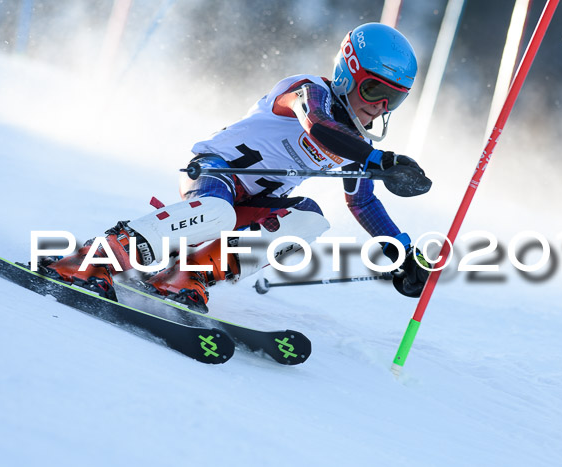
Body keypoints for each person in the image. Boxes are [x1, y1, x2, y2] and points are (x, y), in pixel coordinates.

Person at [40, 22, 432, 312]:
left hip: (254, 204)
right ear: (348, 72)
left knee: (309, 220)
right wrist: (378, 160)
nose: (380, 107)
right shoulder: (309, 90)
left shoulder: (357, 147)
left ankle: (186, 274)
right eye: (374, 91)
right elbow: (316, 124)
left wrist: (400, 252)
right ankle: (92, 258)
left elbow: (363, 204)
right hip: (215, 174)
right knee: (217, 211)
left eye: (393, 100)